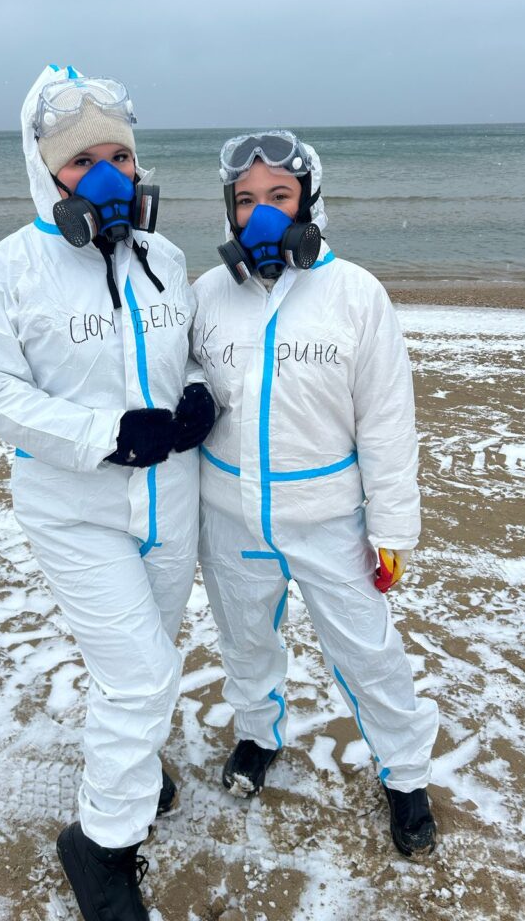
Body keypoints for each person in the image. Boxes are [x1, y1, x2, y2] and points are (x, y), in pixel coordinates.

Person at [0, 64, 215, 921]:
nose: (107, 176)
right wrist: (106, 435)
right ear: (47, 171)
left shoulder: (164, 258)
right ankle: (100, 843)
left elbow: (193, 350)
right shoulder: (10, 270)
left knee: (143, 661)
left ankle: (129, 764)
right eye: (82, 160)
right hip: (74, 510)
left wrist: (199, 393)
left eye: (120, 156)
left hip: (170, 501)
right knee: (142, 675)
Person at [191, 130, 439, 858]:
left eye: (279, 195)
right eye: (246, 200)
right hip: (229, 513)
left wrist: (392, 529)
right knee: (245, 640)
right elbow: (183, 374)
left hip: (330, 519)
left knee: (368, 652)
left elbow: (387, 421)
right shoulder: (207, 294)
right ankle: (257, 735)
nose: (261, 213)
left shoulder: (356, 295)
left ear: (309, 202)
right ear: (229, 210)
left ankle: (405, 774)